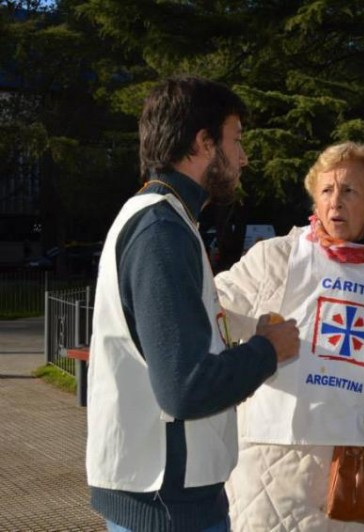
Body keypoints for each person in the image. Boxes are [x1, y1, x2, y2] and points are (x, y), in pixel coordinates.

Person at [86, 76, 300, 532]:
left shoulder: (168, 219)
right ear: (204, 143)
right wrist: (268, 350)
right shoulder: (161, 232)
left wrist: (249, 331)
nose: (243, 156)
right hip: (166, 505)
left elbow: (185, 336)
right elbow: (186, 388)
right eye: (236, 140)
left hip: (166, 497)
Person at [215, 141, 364, 531]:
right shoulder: (275, 258)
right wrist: (255, 338)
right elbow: (213, 310)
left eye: (350, 190)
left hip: (353, 474)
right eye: (326, 190)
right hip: (271, 465)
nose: (335, 201)